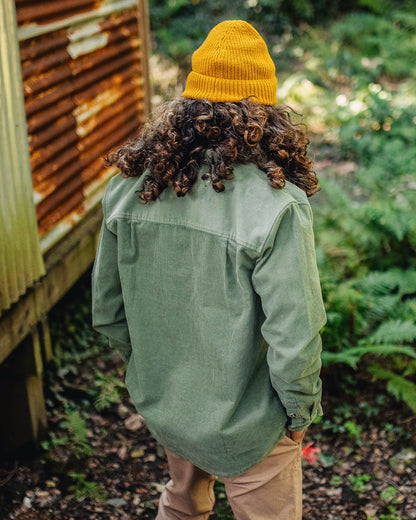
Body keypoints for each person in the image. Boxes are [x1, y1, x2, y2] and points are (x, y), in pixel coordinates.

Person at [92, 19, 326, 520]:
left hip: (169, 408)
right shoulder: (277, 206)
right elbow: (295, 333)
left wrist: (156, 374)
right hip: (251, 423)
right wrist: (299, 412)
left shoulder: (129, 190)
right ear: (266, 113)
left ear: (188, 105)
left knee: (181, 504)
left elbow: (109, 312)